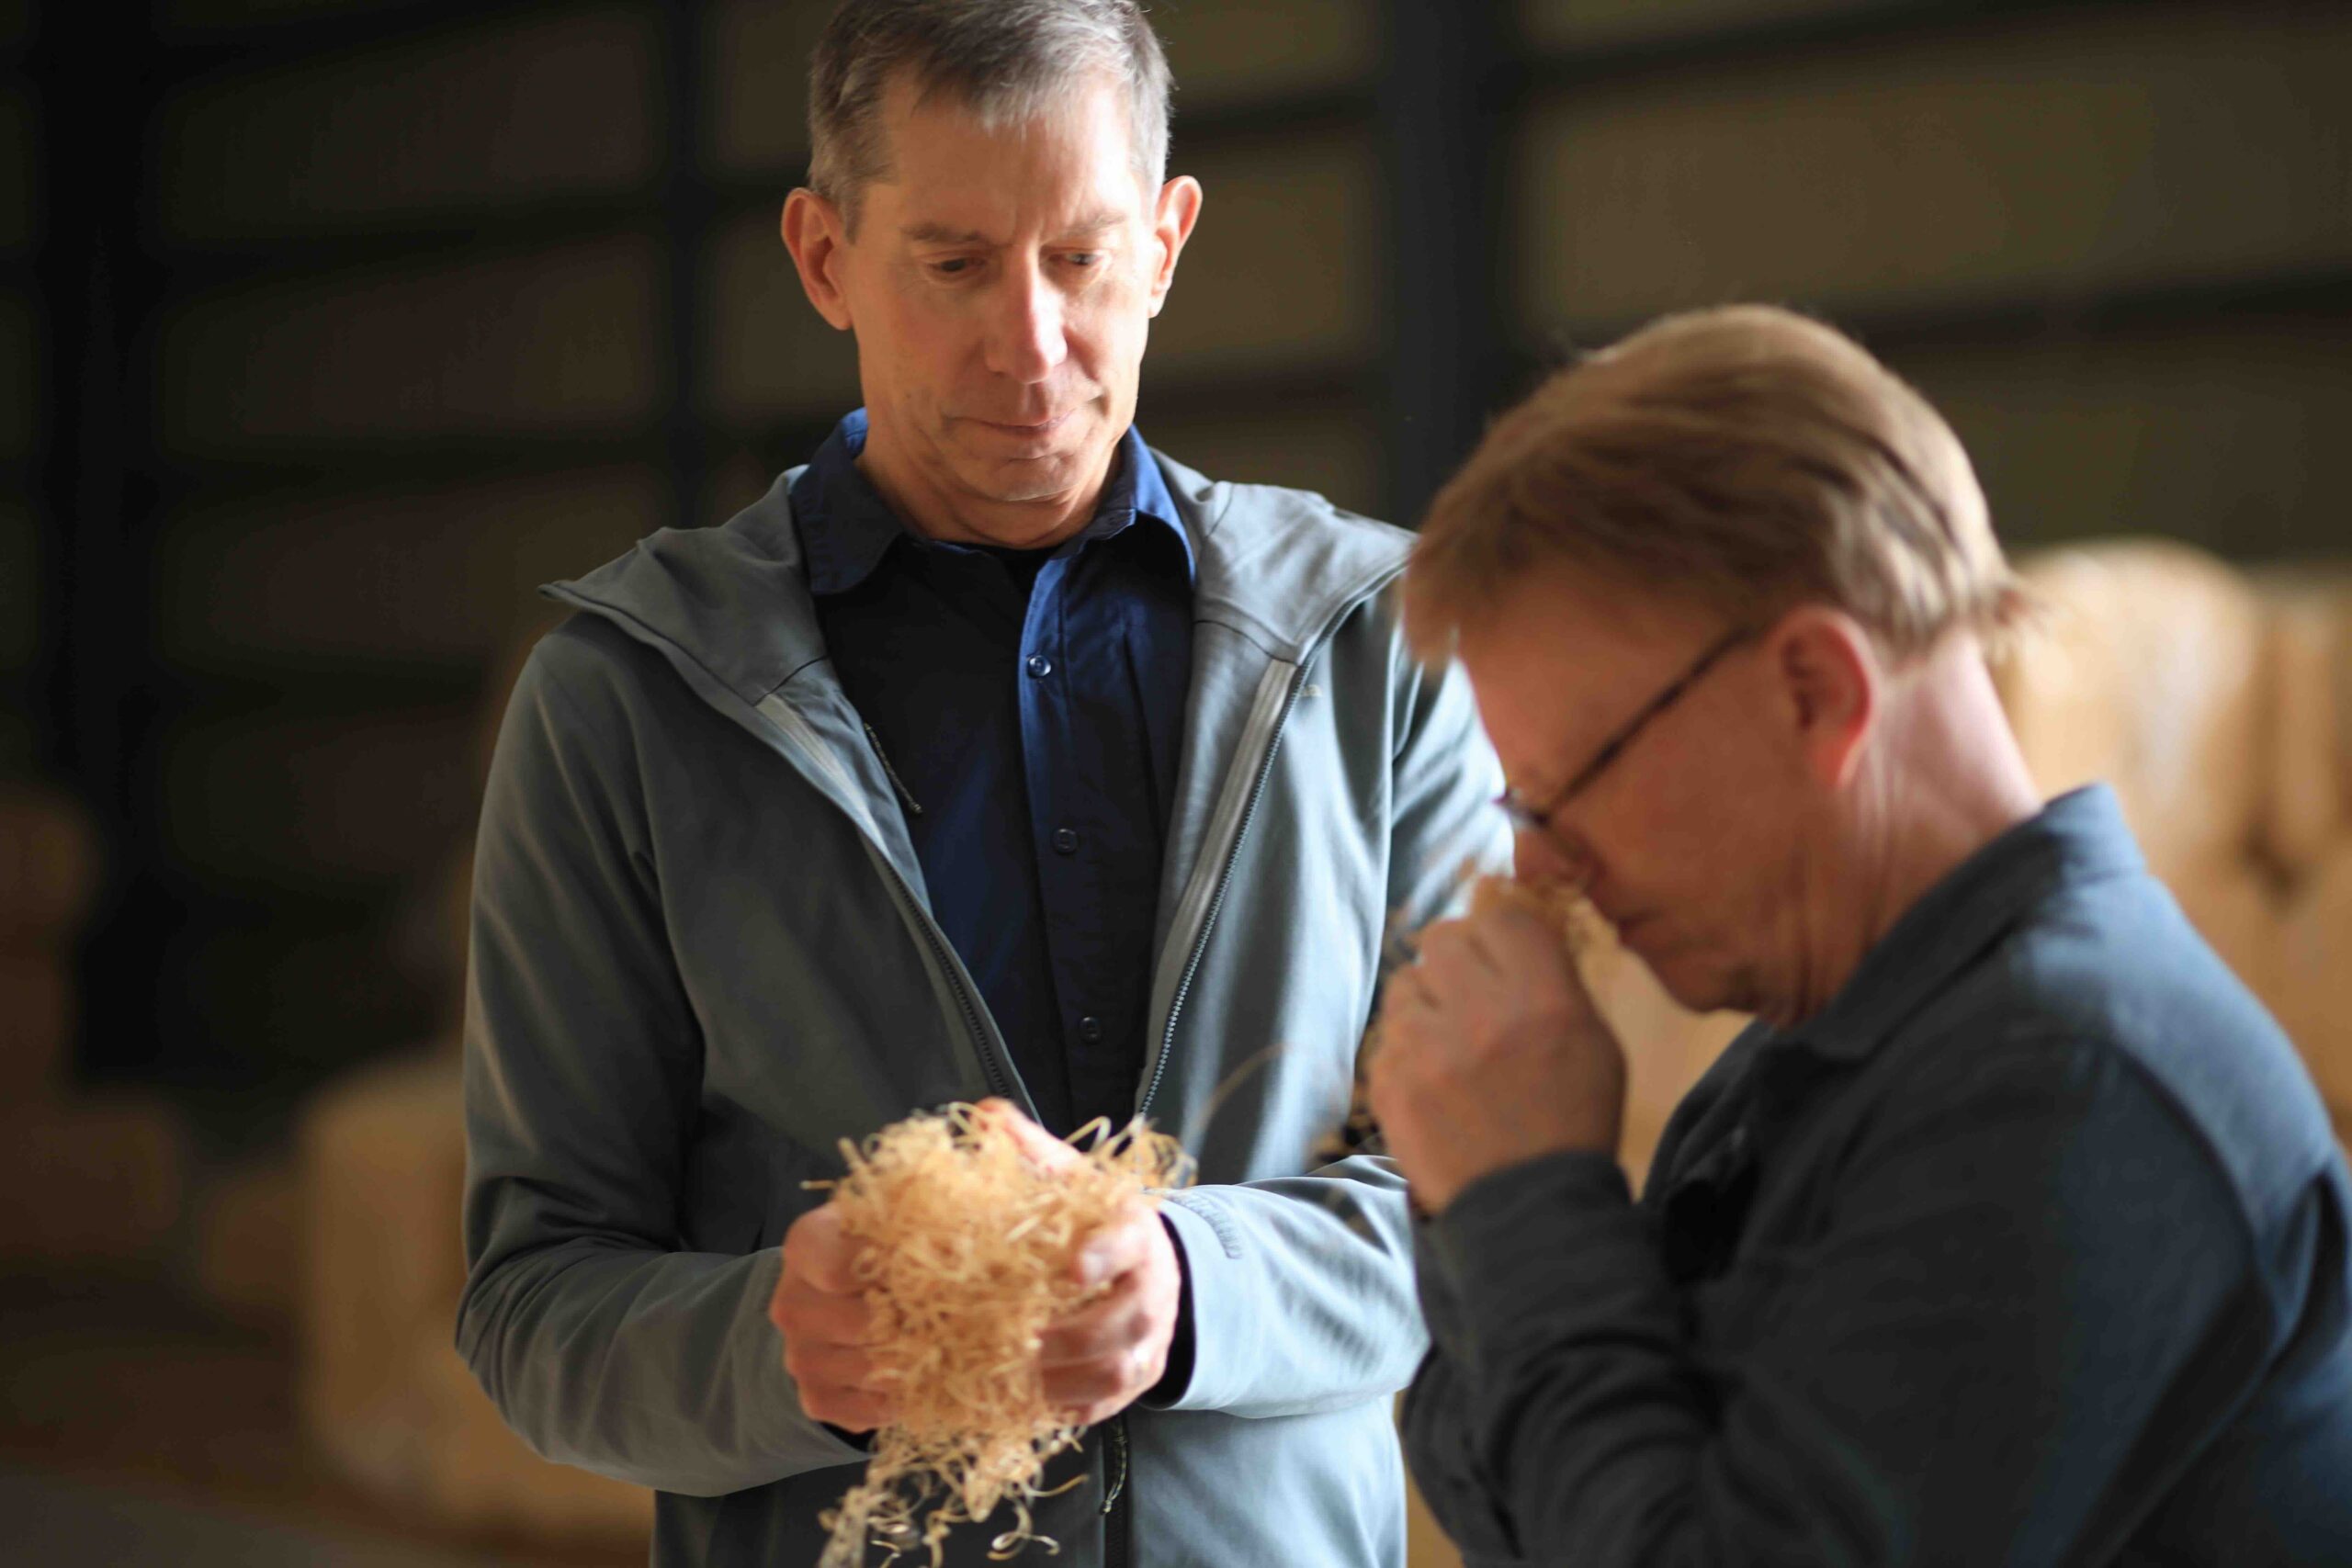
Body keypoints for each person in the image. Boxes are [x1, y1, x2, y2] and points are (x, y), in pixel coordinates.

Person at [455, 3, 1503, 1565]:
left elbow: (1487, 1209)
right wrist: (771, 1344)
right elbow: (533, 1303)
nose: (1030, 344)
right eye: (952, 265)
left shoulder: (1378, 650)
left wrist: (1197, 1285)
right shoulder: (626, 702)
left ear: (1165, 241)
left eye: (1080, 257)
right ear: (823, 259)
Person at [1368, 304, 2352, 1565]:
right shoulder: (1820, 1057)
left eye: (1572, 785)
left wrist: (1524, 1201)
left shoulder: (2075, 1081)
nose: (1545, 863)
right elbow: (1536, 1509)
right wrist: (1466, 1198)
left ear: (1815, 691)